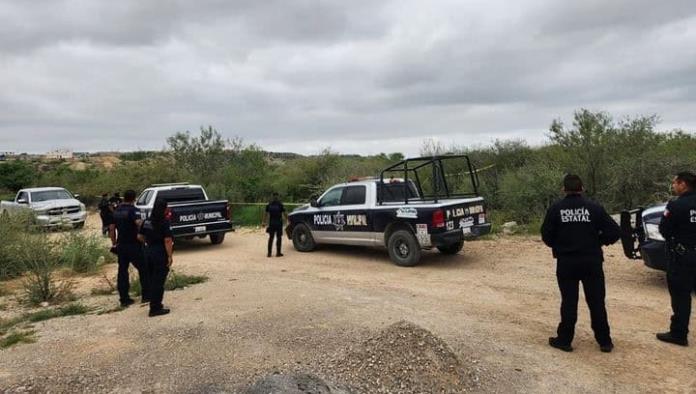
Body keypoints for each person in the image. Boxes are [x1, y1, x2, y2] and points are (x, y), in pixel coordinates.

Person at [541, 174, 621, 353]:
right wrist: (598, 241)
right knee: (597, 302)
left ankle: (564, 340)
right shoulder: (594, 208)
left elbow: (546, 235)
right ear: (582, 188)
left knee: (569, 302)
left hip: (567, 262)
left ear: (563, 189)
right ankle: (605, 341)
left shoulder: (556, 209)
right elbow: (614, 232)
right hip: (591, 261)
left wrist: (560, 245)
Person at [657, 171, 696, 346]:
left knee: (681, 296)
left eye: (675, 183)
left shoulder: (676, 206)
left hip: (683, 257)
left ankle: (679, 334)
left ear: (683, 184)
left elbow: (664, 230)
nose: (673, 186)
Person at [109, 190, 149, 307]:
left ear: (124, 198)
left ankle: (124, 298)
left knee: (122, 271)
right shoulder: (133, 210)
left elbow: (111, 229)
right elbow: (139, 224)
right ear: (134, 198)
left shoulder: (116, 211)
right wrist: (145, 238)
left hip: (121, 245)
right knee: (144, 269)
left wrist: (114, 243)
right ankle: (146, 295)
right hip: (134, 244)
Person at [138, 198, 174, 317]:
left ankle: (154, 303)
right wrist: (169, 256)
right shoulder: (164, 222)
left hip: (148, 252)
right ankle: (155, 308)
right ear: (164, 209)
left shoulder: (147, 221)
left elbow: (139, 236)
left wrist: (148, 242)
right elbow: (167, 240)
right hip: (159, 253)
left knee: (152, 279)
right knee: (159, 281)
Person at [263, 192, 287, 258]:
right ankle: (278, 253)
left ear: (272, 196)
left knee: (271, 238)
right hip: (278, 223)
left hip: (271, 223)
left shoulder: (269, 204)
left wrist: (264, 222)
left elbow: (265, 214)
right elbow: (284, 213)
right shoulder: (280, 204)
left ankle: (269, 253)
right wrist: (288, 220)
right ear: (277, 196)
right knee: (279, 238)